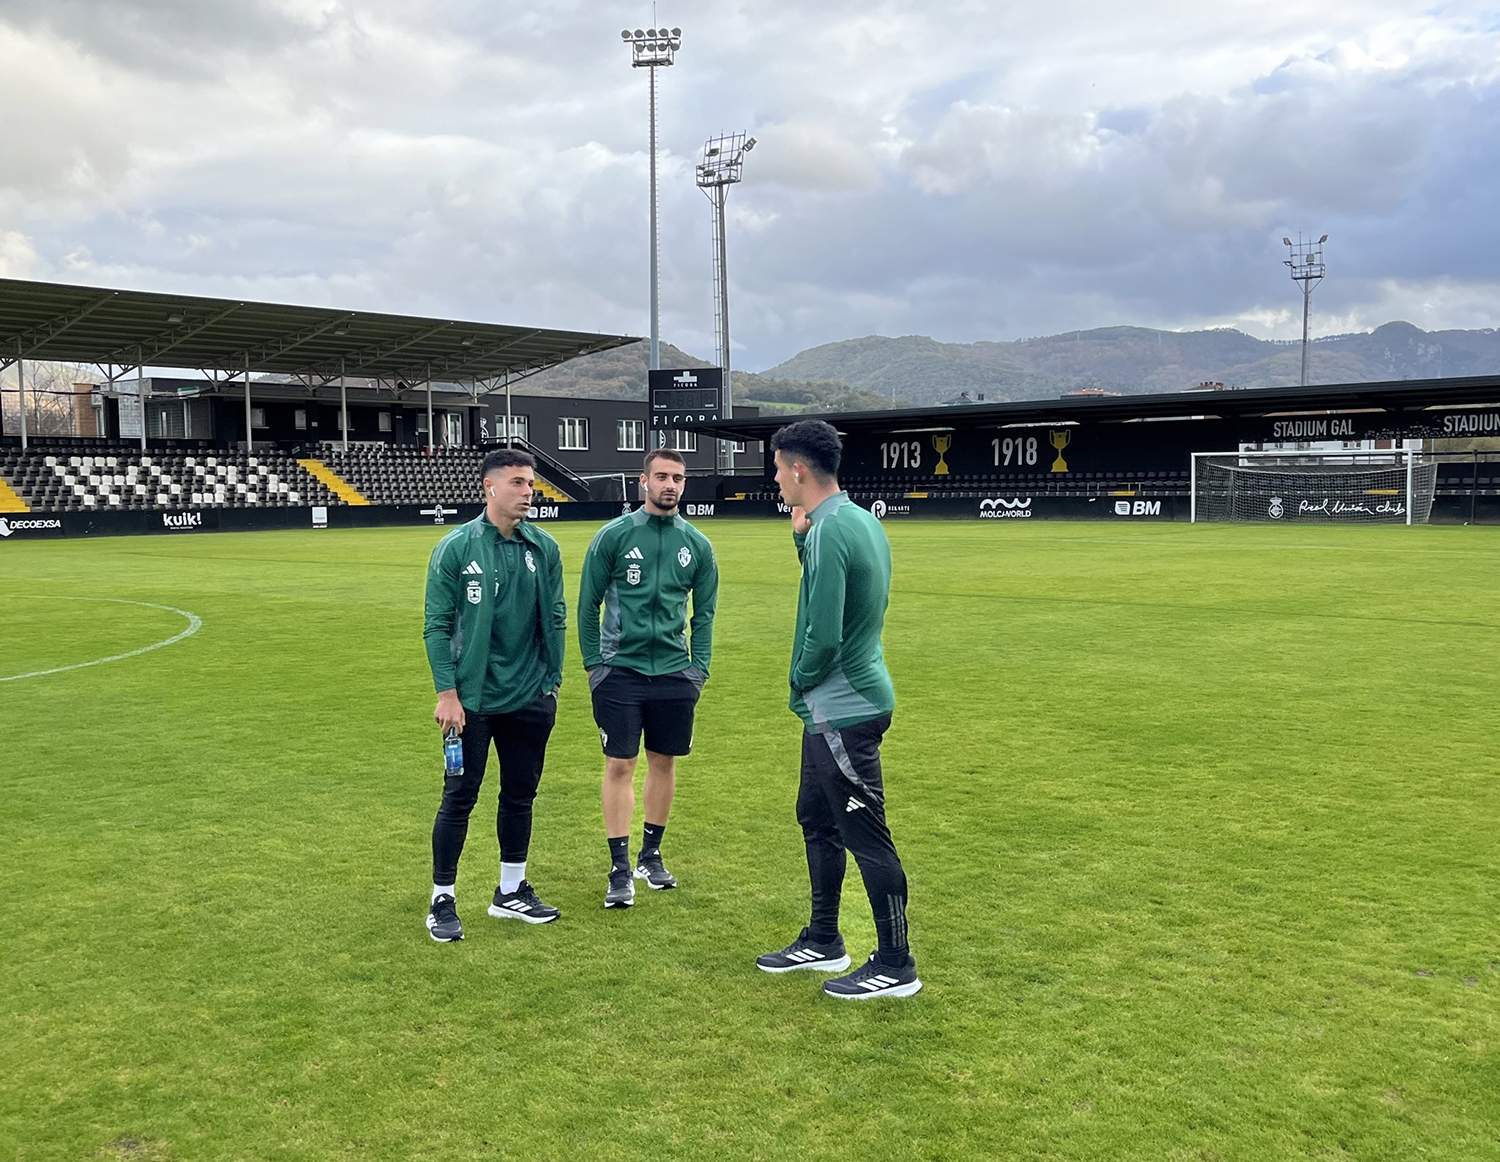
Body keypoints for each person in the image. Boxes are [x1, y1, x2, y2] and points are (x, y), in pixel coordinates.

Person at [755, 420, 922, 999]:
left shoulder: (831, 530)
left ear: (799, 469)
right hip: (842, 704)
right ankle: (824, 937)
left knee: (866, 834)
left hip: (842, 707)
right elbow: (840, 587)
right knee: (816, 818)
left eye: (778, 470)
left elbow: (823, 634)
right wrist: (801, 540)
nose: (776, 481)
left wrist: (798, 679)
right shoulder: (854, 519)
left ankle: (896, 963)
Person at [421, 448, 566, 941]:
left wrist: (551, 681)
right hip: (471, 701)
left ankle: (511, 890)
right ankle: (442, 898)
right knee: (459, 797)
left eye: (531, 484)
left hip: (530, 696)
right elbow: (436, 625)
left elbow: (556, 616)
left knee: (521, 794)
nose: (528, 492)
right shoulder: (456, 547)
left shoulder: (543, 547)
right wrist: (447, 693)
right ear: (491, 487)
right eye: (518, 483)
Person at [578, 448, 719, 909]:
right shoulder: (615, 536)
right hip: (620, 670)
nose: (669, 485)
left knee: (664, 762)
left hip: (675, 672)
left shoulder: (697, 544)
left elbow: (704, 614)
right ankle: (619, 868)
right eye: (661, 476)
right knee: (620, 765)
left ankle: (650, 856)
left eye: (677, 477)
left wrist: (699, 668)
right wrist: (595, 665)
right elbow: (587, 604)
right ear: (644, 481)